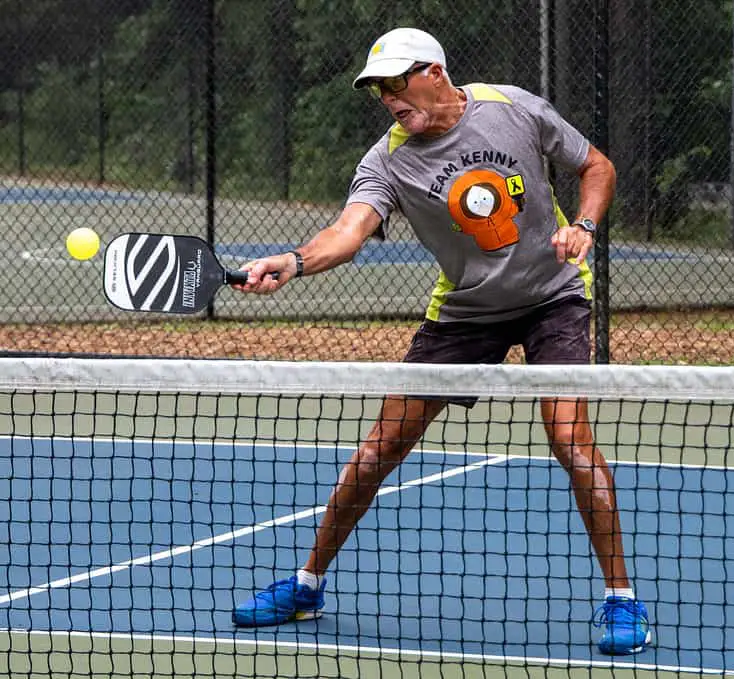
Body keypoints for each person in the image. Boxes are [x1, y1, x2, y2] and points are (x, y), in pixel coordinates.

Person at [231, 27, 651, 656]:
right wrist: (292, 261)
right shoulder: (388, 161)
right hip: (465, 310)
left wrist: (585, 224)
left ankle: (622, 598)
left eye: (398, 83)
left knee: (569, 438)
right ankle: (306, 584)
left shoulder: (512, 108)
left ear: (433, 71)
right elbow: (347, 232)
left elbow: (597, 165)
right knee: (377, 453)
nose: (390, 100)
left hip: (553, 296)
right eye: (378, 91)